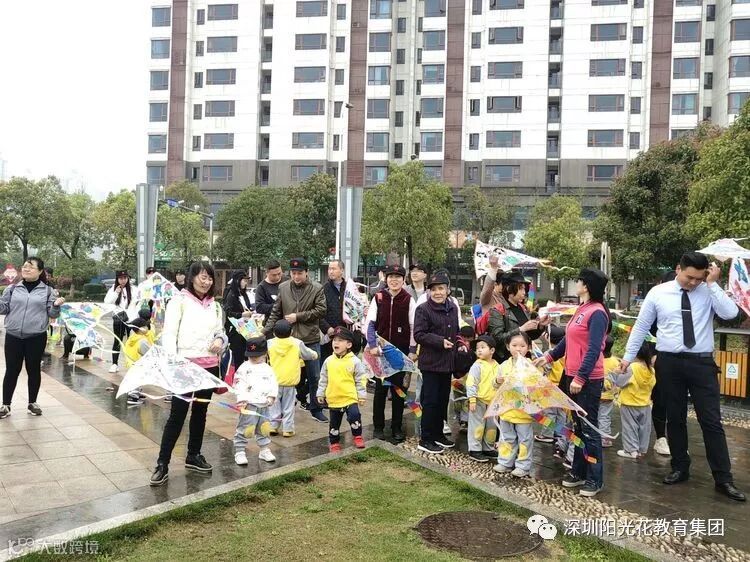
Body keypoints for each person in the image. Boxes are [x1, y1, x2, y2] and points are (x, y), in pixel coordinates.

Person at [621, 252, 745, 502]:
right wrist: (627, 357)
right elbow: (642, 326)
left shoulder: (708, 290)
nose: (693, 282)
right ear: (679, 269)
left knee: (711, 420)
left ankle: (723, 478)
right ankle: (679, 467)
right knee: (675, 416)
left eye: (699, 278)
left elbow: (730, 313)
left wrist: (712, 284)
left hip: (702, 363)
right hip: (669, 362)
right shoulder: (658, 293)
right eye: (690, 277)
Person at [150, 262, 227, 486]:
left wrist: (219, 340)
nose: (207, 282)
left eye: (210, 278)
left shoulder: (215, 306)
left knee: (200, 412)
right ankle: (162, 463)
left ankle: (193, 455)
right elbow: (169, 334)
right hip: (184, 367)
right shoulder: (179, 301)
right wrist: (174, 364)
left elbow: (220, 331)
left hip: (209, 366)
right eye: (203, 277)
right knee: (177, 415)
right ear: (192, 277)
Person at [537, 268, 610, 498]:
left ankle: (595, 478)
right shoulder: (582, 308)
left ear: (586, 285)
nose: (576, 283)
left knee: (589, 429)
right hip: (570, 375)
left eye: (579, 280)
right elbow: (569, 341)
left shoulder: (597, 313)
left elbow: (594, 349)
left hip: (587, 379)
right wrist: (549, 357)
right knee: (577, 427)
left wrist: (580, 377)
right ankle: (578, 471)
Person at [264, 258, 328, 423]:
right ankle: (280, 411)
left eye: (300, 273)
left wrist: (298, 317)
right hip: (288, 340)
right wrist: (264, 331)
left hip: (310, 338)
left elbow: (321, 310)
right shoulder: (283, 287)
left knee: (314, 376)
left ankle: (316, 408)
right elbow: (276, 312)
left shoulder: (317, 288)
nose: (296, 276)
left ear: (306, 272)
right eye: (293, 273)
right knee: (283, 377)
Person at [0, 257, 64, 419]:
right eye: (24, 266)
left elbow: (52, 314)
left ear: (40, 271)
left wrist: (56, 305)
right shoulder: (12, 289)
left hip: (36, 337)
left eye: (30, 267)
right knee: (11, 370)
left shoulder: (48, 291)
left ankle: (32, 403)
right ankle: (6, 405)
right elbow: (3, 308)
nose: (26, 269)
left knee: (33, 369)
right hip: (13, 336)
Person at [365, 264, 417, 442]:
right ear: (386, 279)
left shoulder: (408, 300)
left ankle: (396, 427)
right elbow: (370, 324)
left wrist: (412, 350)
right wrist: (372, 345)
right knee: (380, 391)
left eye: (398, 277)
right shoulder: (379, 297)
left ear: (403, 280)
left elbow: (413, 327)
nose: (394, 280)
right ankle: (378, 427)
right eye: (391, 277)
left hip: (400, 354)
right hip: (380, 353)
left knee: (399, 391)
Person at [414, 271, 460, 454]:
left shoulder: (453, 308)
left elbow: (456, 330)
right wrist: (440, 341)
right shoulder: (423, 309)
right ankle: (426, 438)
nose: (437, 292)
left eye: (441, 288)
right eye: (433, 289)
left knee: (442, 401)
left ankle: (438, 434)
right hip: (431, 363)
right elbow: (419, 334)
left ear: (448, 290)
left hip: (447, 363)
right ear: (429, 292)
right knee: (430, 401)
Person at [493, 330, 537, 477]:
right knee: (506, 438)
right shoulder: (503, 365)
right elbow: (495, 386)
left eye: (522, 346)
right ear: (508, 346)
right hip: (506, 410)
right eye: (514, 345)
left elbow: (537, 386)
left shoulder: (531, 365)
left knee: (525, 440)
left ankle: (523, 466)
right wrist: (497, 381)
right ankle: (505, 462)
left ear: (528, 347)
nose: (518, 349)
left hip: (524, 412)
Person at [317, 327, 368, 452]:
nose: (336, 343)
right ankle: (334, 442)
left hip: (350, 397)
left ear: (349, 345)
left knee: (354, 416)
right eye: (334, 340)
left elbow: (361, 379)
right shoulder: (328, 361)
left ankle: (357, 435)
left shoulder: (355, 361)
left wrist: (361, 395)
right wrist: (320, 393)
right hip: (334, 398)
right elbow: (323, 378)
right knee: (334, 423)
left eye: (340, 340)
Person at [267, 320, 319, 437]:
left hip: (274, 381)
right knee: (288, 406)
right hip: (290, 381)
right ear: (291, 332)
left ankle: (273, 426)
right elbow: (307, 354)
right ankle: (288, 429)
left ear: (274, 333)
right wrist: (315, 355)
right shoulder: (297, 343)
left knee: (274, 405)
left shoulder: (270, 343)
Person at [233, 336, 278, 465]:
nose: (253, 358)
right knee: (245, 428)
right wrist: (241, 399)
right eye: (251, 355)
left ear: (264, 354)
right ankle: (240, 451)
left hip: (264, 404)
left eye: (257, 355)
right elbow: (239, 383)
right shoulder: (243, 368)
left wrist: (271, 396)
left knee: (264, 428)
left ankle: (264, 449)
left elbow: (273, 383)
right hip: (249, 405)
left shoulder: (268, 368)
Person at [488, 271, 549, 362]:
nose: (524, 292)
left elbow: (530, 336)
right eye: (520, 289)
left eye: (524, 289)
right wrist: (521, 329)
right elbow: (497, 338)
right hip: (506, 360)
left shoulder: (523, 308)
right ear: (509, 289)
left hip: (524, 357)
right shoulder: (497, 310)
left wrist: (540, 325)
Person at [609, 341, 656, 459]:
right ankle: (642, 450)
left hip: (629, 402)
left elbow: (620, 382)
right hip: (645, 404)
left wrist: (616, 373)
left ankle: (631, 450)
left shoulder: (631, 368)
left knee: (630, 427)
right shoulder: (651, 370)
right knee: (644, 428)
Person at [651, 270, 677, 457]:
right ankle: (661, 437)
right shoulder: (657, 301)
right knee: (660, 399)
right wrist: (652, 355)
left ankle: (677, 439)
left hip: (682, 361)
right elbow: (646, 330)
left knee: (676, 401)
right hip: (660, 358)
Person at [466, 335, 501, 463]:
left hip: (493, 402)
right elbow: (471, 382)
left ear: (492, 350)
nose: (479, 350)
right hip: (479, 400)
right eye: (477, 348)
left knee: (491, 427)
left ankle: (488, 447)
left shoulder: (497, 365)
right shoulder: (477, 366)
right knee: (477, 425)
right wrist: (472, 399)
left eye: (482, 347)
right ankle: (474, 449)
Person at [535, 325, 567, 446]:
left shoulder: (549, 353)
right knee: (561, 411)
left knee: (549, 412)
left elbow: (546, 369)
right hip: (563, 385)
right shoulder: (566, 352)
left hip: (551, 386)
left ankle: (547, 434)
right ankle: (559, 433)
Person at [104, 270, 138, 374]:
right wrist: (116, 293)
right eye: (121, 278)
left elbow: (137, 302)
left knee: (131, 340)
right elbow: (107, 302)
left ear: (128, 278)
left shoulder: (133, 289)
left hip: (131, 318)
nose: (123, 280)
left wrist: (133, 315)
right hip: (118, 318)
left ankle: (132, 362)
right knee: (117, 340)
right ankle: (114, 364)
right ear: (117, 279)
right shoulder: (113, 289)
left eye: (125, 278)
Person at [122, 309, 157, 405]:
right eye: (145, 326)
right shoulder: (142, 340)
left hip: (132, 361)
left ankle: (136, 393)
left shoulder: (132, 337)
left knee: (136, 379)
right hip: (138, 362)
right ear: (141, 329)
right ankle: (133, 397)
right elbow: (148, 351)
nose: (147, 328)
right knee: (136, 380)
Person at [223, 270, 254, 370]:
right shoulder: (231, 294)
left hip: (247, 329)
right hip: (236, 331)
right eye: (244, 280)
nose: (246, 283)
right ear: (237, 280)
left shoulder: (244, 294)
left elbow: (247, 307)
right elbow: (228, 312)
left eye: (246, 280)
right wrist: (241, 314)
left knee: (248, 357)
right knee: (238, 358)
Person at [319, 260, 348, 365]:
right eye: (329, 269)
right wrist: (327, 328)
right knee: (328, 364)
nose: (330, 271)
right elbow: (318, 312)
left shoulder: (349, 288)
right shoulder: (323, 289)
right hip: (329, 334)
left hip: (345, 333)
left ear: (342, 270)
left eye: (334, 269)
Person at [453, 325, 477, 433]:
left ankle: (465, 421)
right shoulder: (459, 345)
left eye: (469, 338)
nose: (467, 341)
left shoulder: (473, 346)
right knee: (460, 400)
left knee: (465, 400)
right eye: (465, 338)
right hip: (459, 378)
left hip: (464, 378)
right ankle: (462, 421)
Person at [599, 336, 618, 448]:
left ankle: (596, 437)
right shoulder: (615, 361)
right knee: (605, 416)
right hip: (609, 395)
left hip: (596, 392)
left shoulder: (597, 359)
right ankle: (605, 438)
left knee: (594, 416)